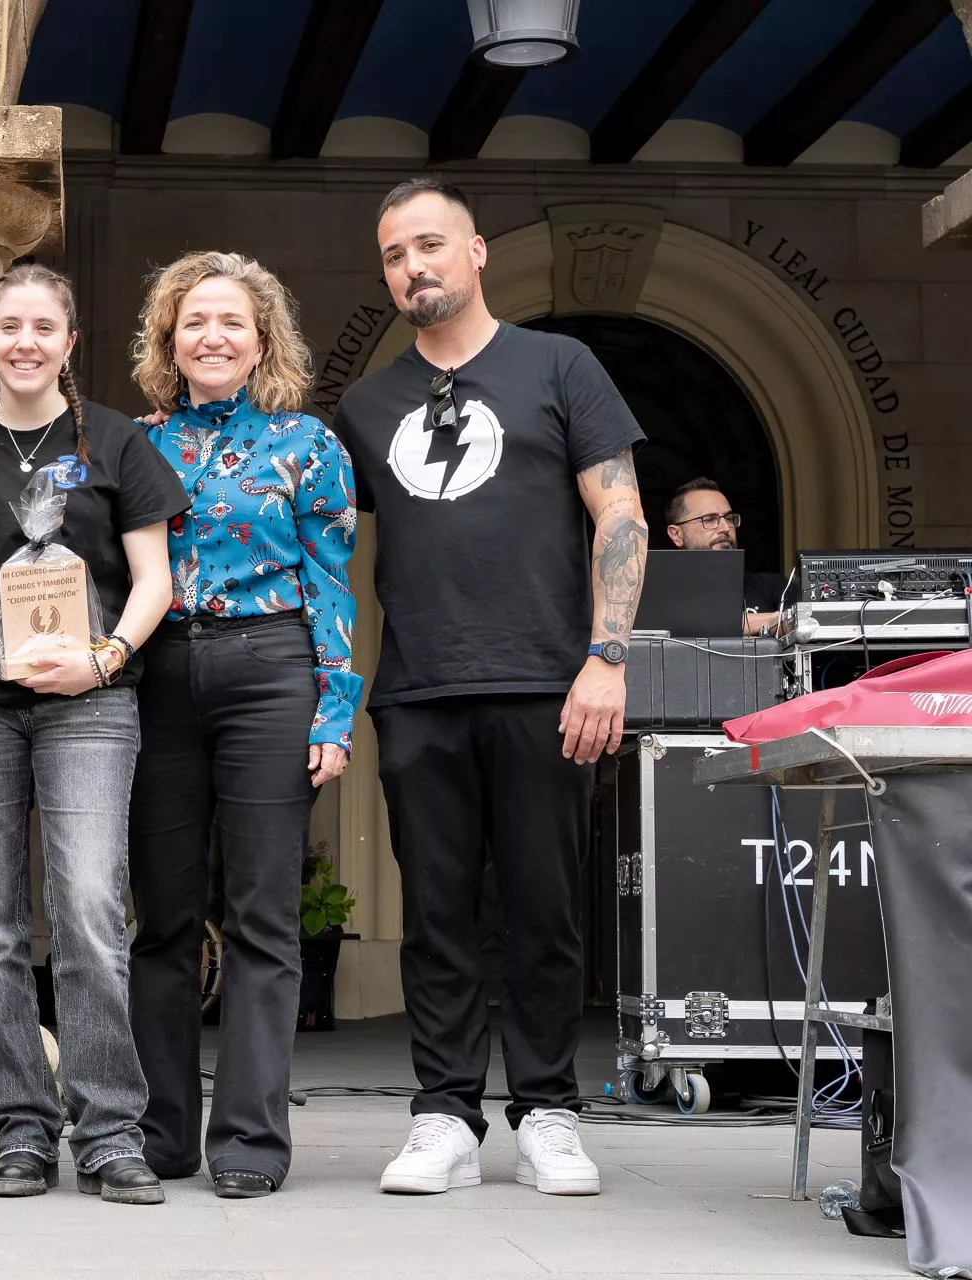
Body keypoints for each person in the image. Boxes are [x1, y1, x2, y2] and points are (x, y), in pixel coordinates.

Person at [332, 176, 647, 1198]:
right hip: (419, 687)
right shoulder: (367, 403)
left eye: (429, 244)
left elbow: (622, 513)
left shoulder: (560, 364)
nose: (412, 266)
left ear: (476, 253)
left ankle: (549, 1109)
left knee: (544, 906)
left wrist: (605, 657)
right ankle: (444, 1113)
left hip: (548, 681)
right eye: (393, 254)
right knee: (435, 910)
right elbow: (298, 522)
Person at [0, 263, 187, 1205]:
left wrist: (107, 657)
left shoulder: (117, 441)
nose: (26, 342)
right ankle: (19, 1129)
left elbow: (154, 578)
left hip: (92, 698)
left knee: (87, 907)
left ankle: (111, 1128)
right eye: (10, 326)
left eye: (45, 327)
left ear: (71, 341)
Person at [127, 251, 364, 1199]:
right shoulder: (134, 443)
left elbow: (334, 581)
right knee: (163, 919)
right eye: (193, 321)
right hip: (158, 678)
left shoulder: (309, 446)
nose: (212, 336)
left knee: (266, 915)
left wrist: (334, 707)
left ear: (262, 339)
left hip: (272, 672)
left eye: (231, 322)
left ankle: (252, 1143)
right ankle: (163, 1133)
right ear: (167, 340)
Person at [664, 477, 795, 636]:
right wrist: (765, 622)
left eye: (729, 518)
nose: (725, 528)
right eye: (710, 519)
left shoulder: (773, 586)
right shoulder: (658, 594)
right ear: (676, 534)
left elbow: (807, 622)